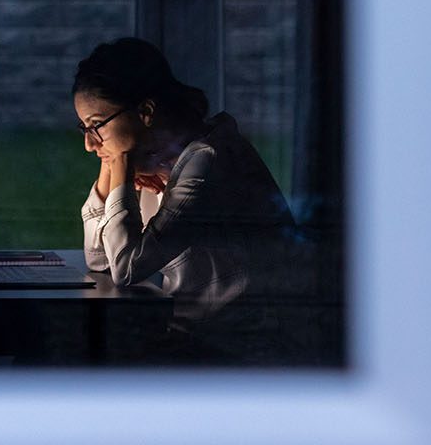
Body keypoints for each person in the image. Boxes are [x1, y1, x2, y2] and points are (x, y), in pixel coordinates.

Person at [74, 36, 304, 363]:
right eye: (84, 129)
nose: (88, 143)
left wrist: (121, 165)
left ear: (146, 111)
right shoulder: (164, 160)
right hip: (198, 336)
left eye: (96, 126)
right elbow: (100, 260)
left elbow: (127, 267)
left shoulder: (208, 159)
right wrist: (111, 167)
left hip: (244, 347)